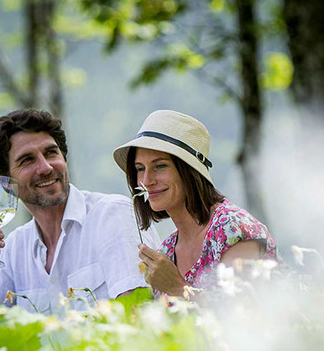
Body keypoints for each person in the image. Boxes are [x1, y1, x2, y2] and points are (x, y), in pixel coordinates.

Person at [0, 109, 159, 321]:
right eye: (27, 160)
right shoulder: (13, 248)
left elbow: (136, 314)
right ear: (6, 182)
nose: (45, 167)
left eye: (51, 153)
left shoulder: (112, 214)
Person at [113, 109, 281, 296]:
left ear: (189, 170)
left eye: (160, 166)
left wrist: (177, 287)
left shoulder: (232, 228)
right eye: (140, 168)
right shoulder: (167, 251)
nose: (147, 180)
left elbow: (243, 309)